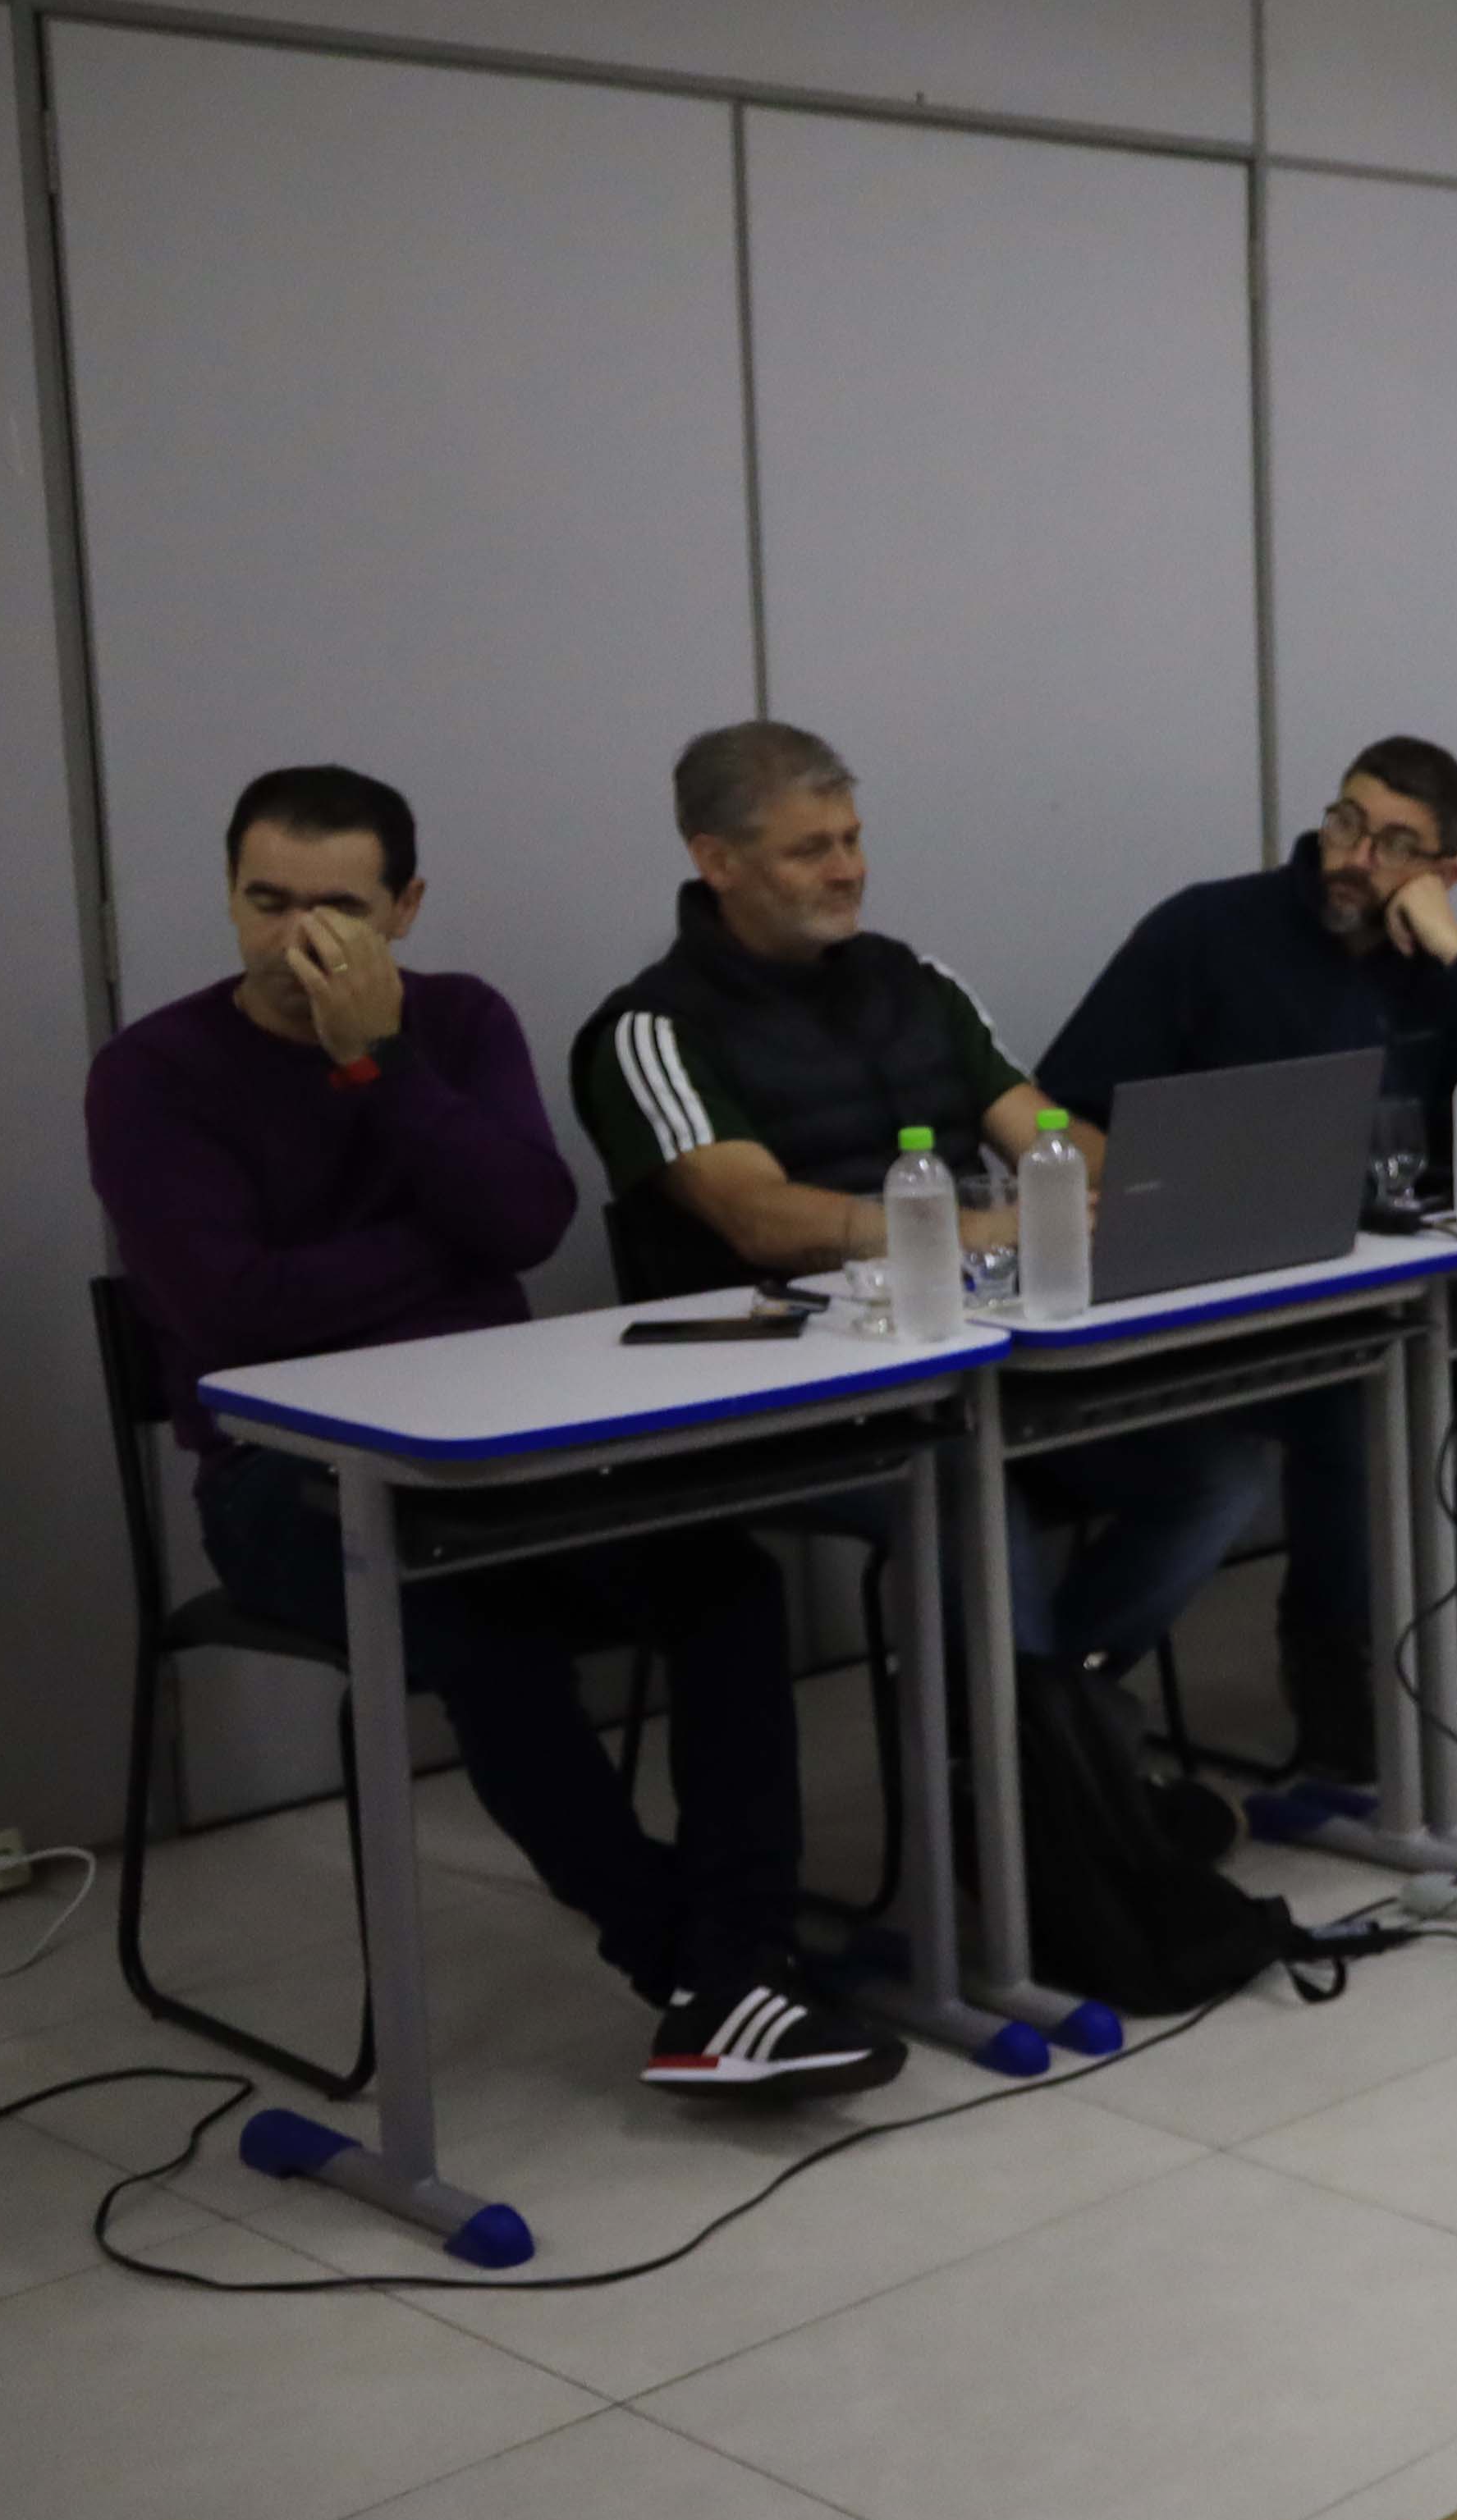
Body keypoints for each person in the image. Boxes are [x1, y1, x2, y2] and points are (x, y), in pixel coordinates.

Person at [87, 766, 890, 2096]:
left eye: (339, 909)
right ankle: (703, 1970)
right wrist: (439, 1255)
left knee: (722, 1582)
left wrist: (376, 1062)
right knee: (483, 1628)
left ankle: (736, 1961)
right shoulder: (153, 1074)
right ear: (228, 897)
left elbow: (521, 1223)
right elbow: (232, 1315)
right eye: (266, 902)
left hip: (498, 1449)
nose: (297, 939)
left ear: (404, 908)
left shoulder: (456, 1025)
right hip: (281, 1478)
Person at [574, 721, 1277, 1676]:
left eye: (852, 839)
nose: (847, 870)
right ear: (718, 860)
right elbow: (757, 1216)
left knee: (1217, 1472)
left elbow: (1046, 1136)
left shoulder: (914, 982)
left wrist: (1178, 1180)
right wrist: (978, 1230)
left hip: (975, 1360)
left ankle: (1052, 1713)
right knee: (964, 1492)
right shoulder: (653, 1028)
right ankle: (1021, 1743)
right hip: (787, 1397)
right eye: (809, 850)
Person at [1040, 737, 1457, 1774]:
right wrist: (1175, 1188)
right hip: (1241, 1302)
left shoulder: (1436, 967)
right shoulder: (1209, 929)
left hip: (1411, 1289)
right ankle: (1339, 1656)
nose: (1353, 856)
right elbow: (1060, 1109)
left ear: (1441, 872)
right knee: (1357, 1394)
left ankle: (1417, 1596)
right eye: (1346, 822)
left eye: (1393, 844)